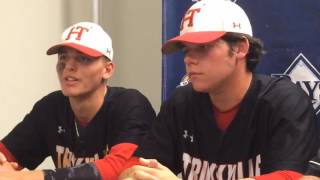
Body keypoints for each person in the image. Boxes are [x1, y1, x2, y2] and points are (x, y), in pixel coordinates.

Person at [118, 0, 319, 179]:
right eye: (186, 50)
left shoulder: (284, 102)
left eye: (203, 47)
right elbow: (134, 168)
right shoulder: (181, 102)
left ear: (240, 48)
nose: (189, 59)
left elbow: (290, 177)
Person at [0, 22, 155, 179]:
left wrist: (26, 178)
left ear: (107, 69)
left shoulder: (130, 105)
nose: (68, 66)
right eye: (63, 57)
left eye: (83, 59)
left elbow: (124, 169)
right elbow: (5, 156)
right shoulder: (50, 108)